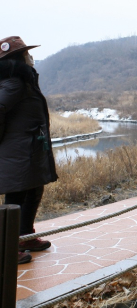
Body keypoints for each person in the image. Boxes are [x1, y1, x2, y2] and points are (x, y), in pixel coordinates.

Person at [0, 36, 58, 265]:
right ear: (19, 58)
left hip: (30, 148)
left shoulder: (24, 80)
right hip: (18, 151)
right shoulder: (14, 82)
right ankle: (6, 245)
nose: (31, 57)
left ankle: (24, 236)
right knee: (15, 196)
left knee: (34, 189)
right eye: (27, 53)